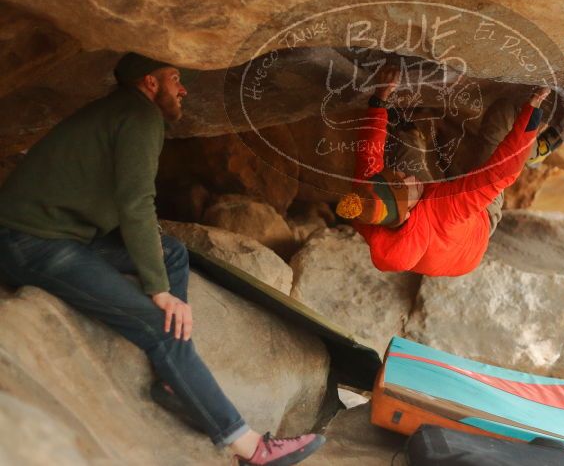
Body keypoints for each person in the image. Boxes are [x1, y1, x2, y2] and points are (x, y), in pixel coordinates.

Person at [0, 53, 324, 465]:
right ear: (150, 83)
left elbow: (123, 203)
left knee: (171, 251)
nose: (183, 88)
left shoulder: (121, 111)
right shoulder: (139, 117)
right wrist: (158, 291)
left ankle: (174, 380)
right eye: (174, 79)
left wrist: (157, 273)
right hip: (29, 242)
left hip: (52, 235)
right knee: (160, 326)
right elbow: (135, 203)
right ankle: (252, 448)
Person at [336, 67, 564, 276]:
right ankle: (536, 151)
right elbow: (501, 172)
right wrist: (533, 106)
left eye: (395, 176)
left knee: (402, 139)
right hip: (472, 232)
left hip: (431, 235)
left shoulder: (364, 205)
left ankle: (411, 133)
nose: (405, 175)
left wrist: (380, 99)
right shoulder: (445, 210)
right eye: (404, 182)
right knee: (503, 113)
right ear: (406, 215)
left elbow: (368, 155)